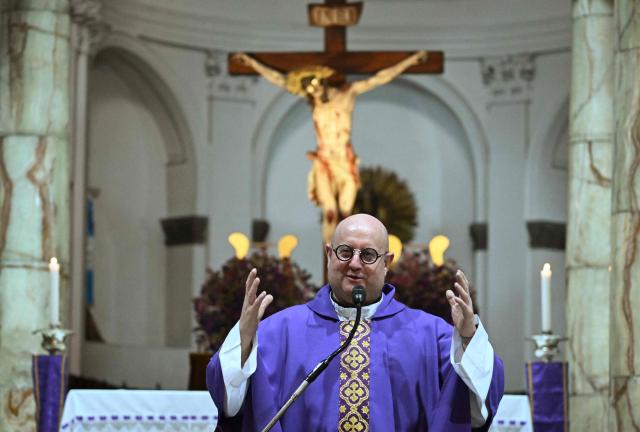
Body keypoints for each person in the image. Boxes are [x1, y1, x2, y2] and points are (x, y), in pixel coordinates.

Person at [207, 213, 504, 431]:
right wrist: (244, 344)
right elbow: (231, 403)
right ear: (328, 255)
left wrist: (468, 338)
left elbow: (475, 407)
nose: (355, 263)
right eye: (345, 251)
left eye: (369, 255)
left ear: (387, 263)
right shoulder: (279, 332)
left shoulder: (430, 335)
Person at [232, 52, 428, 244]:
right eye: (309, 93)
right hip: (324, 162)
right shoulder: (315, 102)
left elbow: (379, 79)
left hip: (344, 161)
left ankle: (346, 247)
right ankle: (332, 252)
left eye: (315, 90)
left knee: (345, 211)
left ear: (323, 85)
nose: (313, 96)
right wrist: (252, 64)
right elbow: (281, 81)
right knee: (330, 212)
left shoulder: (347, 95)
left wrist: (409, 62)